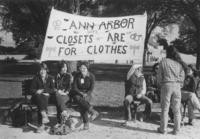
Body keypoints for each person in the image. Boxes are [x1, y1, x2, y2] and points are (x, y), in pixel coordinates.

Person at [157, 46, 186, 135]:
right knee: (177, 109)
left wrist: (160, 84)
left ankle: (163, 129)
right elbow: (182, 76)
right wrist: (179, 84)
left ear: (167, 53)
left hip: (166, 85)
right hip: (177, 86)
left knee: (165, 108)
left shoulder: (163, 62)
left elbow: (159, 76)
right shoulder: (179, 63)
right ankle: (177, 130)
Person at [70, 61, 99, 130]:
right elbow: (74, 87)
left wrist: (87, 93)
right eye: (81, 68)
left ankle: (86, 123)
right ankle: (92, 111)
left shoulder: (91, 76)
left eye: (84, 68)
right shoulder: (77, 75)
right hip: (78, 93)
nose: (82, 69)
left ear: (87, 68)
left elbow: (91, 88)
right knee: (78, 99)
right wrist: (81, 93)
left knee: (83, 102)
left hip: (87, 93)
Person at [30, 63, 55, 132]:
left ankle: (41, 124)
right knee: (39, 97)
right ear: (39, 71)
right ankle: (43, 115)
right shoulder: (36, 78)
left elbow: (53, 89)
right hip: (36, 98)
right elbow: (31, 89)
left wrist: (44, 90)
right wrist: (37, 91)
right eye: (41, 70)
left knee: (42, 101)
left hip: (47, 99)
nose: (42, 71)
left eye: (44, 70)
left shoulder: (50, 78)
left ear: (46, 70)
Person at [54, 61, 73, 126]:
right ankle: (65, 114)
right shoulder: (56, 76)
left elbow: (70, 87)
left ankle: (59, 122)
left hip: (66, 95)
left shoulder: (68, 76)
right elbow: (53, 87)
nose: (65, 69)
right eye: (63, 67)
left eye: (66, 67)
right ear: (60, 68)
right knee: (57, 96)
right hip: (57, 94)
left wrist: (65, 93)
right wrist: (58, 91)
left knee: (59, 101)